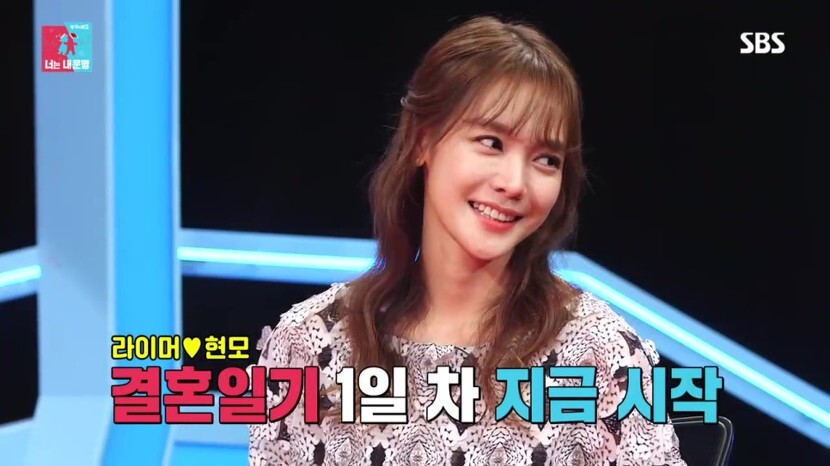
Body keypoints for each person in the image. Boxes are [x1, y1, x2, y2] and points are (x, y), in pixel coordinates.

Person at [249, 15, 687, 466]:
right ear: (423, 141)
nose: (514, 183)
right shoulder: (310, 344)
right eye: (491, 142)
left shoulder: (599, 355)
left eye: (546, 159)